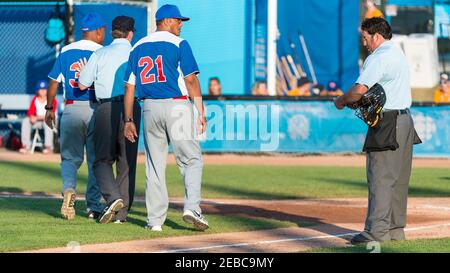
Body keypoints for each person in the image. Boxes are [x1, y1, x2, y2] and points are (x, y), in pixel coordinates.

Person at [123, 4, 209, 232]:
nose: (181, 24)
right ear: (166, 20)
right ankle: (192, 207)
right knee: (191, 159)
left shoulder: (138, 46)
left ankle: (154, 222)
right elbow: (190, 80)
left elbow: (129, 87)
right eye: (178, 20)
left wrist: (128, 119)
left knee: (154, 165)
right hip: (177, 106)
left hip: (149, 108)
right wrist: (200, 110)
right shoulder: (180, 44)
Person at [334, 18, 418, 244]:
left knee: (380, 178)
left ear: (376, 36)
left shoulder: (379, 57)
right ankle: (395, 231)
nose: (364, 42)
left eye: (365, 37)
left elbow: (358, 90)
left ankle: (375, 233)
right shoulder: (398, 53)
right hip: (406, 120)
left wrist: (341, 101)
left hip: (388, 123)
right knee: (399, 181)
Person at [78, 16, 141, 224]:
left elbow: (82, 84)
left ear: (113, 32)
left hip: (106, 107)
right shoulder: (136, 53)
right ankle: (121, 215)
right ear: (130, 33)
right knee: (126, 161)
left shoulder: (100, 53)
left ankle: (113, 198)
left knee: (102, 159)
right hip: (132, 107)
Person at [45, 13, 106, 221]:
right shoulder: (101, 51)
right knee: (95, 160)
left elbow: (53, 81)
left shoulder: (66, 50)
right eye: (103, 31)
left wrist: (49, 107)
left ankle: (69, 189)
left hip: (71, 108)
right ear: (97, 31)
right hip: (95, 108)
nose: (104, 34)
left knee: (70, 158)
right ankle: (93, 206)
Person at [20, 80, 57, 154]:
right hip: (39, 122)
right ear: (37, 90)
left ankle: (48, 147)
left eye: (44, 89)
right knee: (26, 120)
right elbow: (30, 113)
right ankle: (26, 146)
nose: (43, 91)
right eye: (41, 89)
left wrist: (36, 117)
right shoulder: (35, 99)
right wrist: (31, 117)